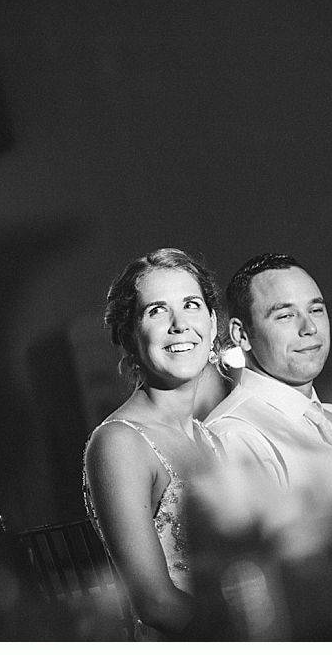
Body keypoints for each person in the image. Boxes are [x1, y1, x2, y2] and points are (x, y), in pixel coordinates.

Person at [82, 248, 223, 640]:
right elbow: (155, 602)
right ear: (129, 334)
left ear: (212, 323)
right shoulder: (119, 443)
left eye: (191, 305)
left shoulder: (210, 437)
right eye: (157, 311)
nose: (180, 325)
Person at [204, 253, 332, 489]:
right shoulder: (234, 436)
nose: (309, 328)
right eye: (285, 315)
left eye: (315, 310)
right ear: (241, 334)